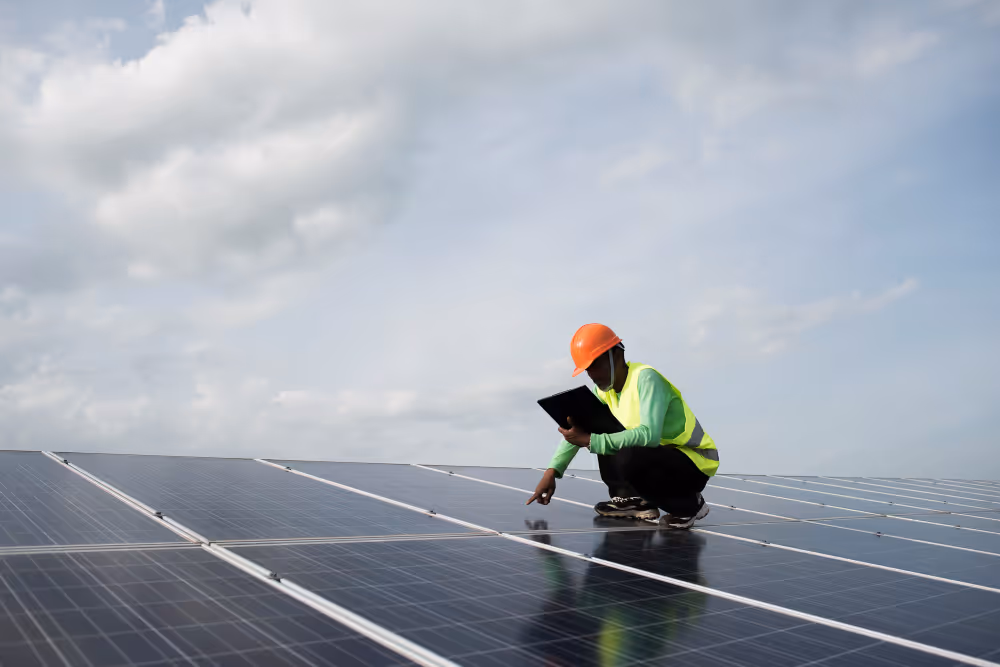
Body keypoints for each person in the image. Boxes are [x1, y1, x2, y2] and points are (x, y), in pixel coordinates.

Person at [527, 323, 719, 528]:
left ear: (617, 355)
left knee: (621, 446)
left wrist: (592, 441)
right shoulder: (604, 391)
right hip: (661, 458)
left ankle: (689, 505)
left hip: (693, 462)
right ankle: (630, 499)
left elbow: (649, 435)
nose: (592, 374)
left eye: (595, 365)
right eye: (587, 369)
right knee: (600, 427)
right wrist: (552, 471)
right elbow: (580, 429)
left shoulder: (646, 378)